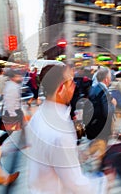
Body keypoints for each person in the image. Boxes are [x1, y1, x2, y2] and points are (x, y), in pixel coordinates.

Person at [26, 64, 99, 193]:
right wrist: (103, 183)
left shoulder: (38, 116)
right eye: (70, 82)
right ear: (60, 89)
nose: (74, 86)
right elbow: (76, 183)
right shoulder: (60, 131)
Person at [84, 67, 117, 163]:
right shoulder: (104, 91)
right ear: (106, 79)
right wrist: (113, 105)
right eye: (110, 77)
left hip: (95, 124)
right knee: (100, 145)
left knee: (98, 145)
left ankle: (95, 162)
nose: (111, 79)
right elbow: (106, 112)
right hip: (102, 126)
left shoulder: (94, 88)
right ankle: (95, 164)